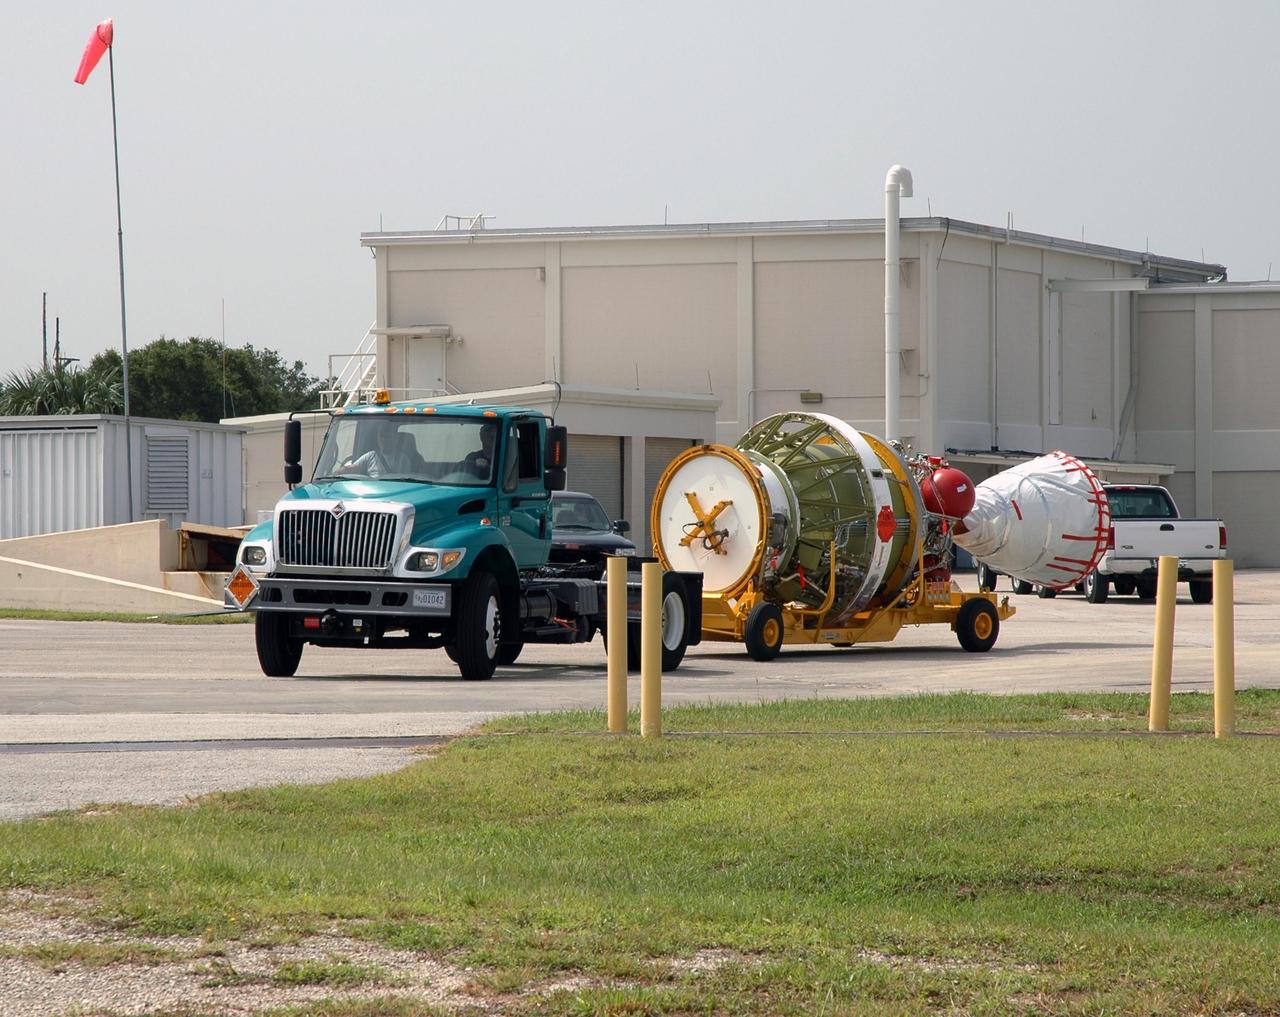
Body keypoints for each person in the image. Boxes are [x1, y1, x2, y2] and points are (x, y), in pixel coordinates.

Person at [336, 426, 404, 478]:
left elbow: (404, 483)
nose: (383, 439)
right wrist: (335, 474)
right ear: (377, 438)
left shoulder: (402, 459)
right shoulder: (370, 456)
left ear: (394, 438)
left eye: (387, 436)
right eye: (381, 436)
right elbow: (353, 468)